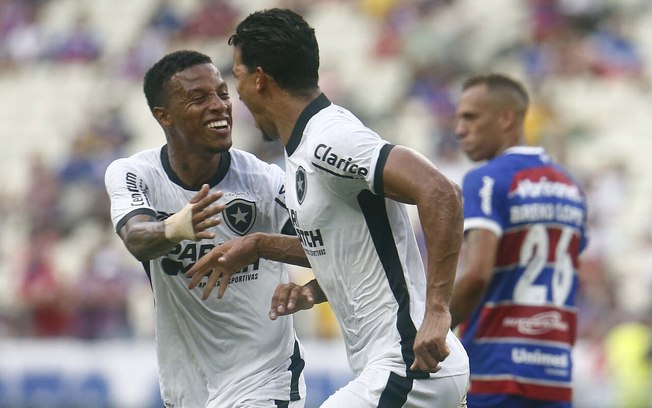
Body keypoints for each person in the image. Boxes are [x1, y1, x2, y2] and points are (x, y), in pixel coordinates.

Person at [186, 8, 469, 408]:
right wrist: (266, 250)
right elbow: (352, 244)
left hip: (409, 366)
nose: (237, 94)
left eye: (236, 76)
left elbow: (442, 192)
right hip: (400, 367)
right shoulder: (304, 148)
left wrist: (438, 311)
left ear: (260, 78)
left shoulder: (330, 139)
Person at [103, 50, 306, 408]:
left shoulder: (263, 181)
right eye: (199, 98)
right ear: (163, 116)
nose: (219, 106)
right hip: (187, 386)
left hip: (264, 379)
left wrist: (260, 244)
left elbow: (324, 246)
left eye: (223, 94)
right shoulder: (135, 174)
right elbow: (136, 238)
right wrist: (175, 228)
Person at [449, 74, 589, 408]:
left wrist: (433, 328)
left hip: (496, 367)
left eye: (470, 117)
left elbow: (477, 274)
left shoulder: (487, 178)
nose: (459, 129)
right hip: (554, 370)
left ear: (506, 117)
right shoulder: (570, 187)